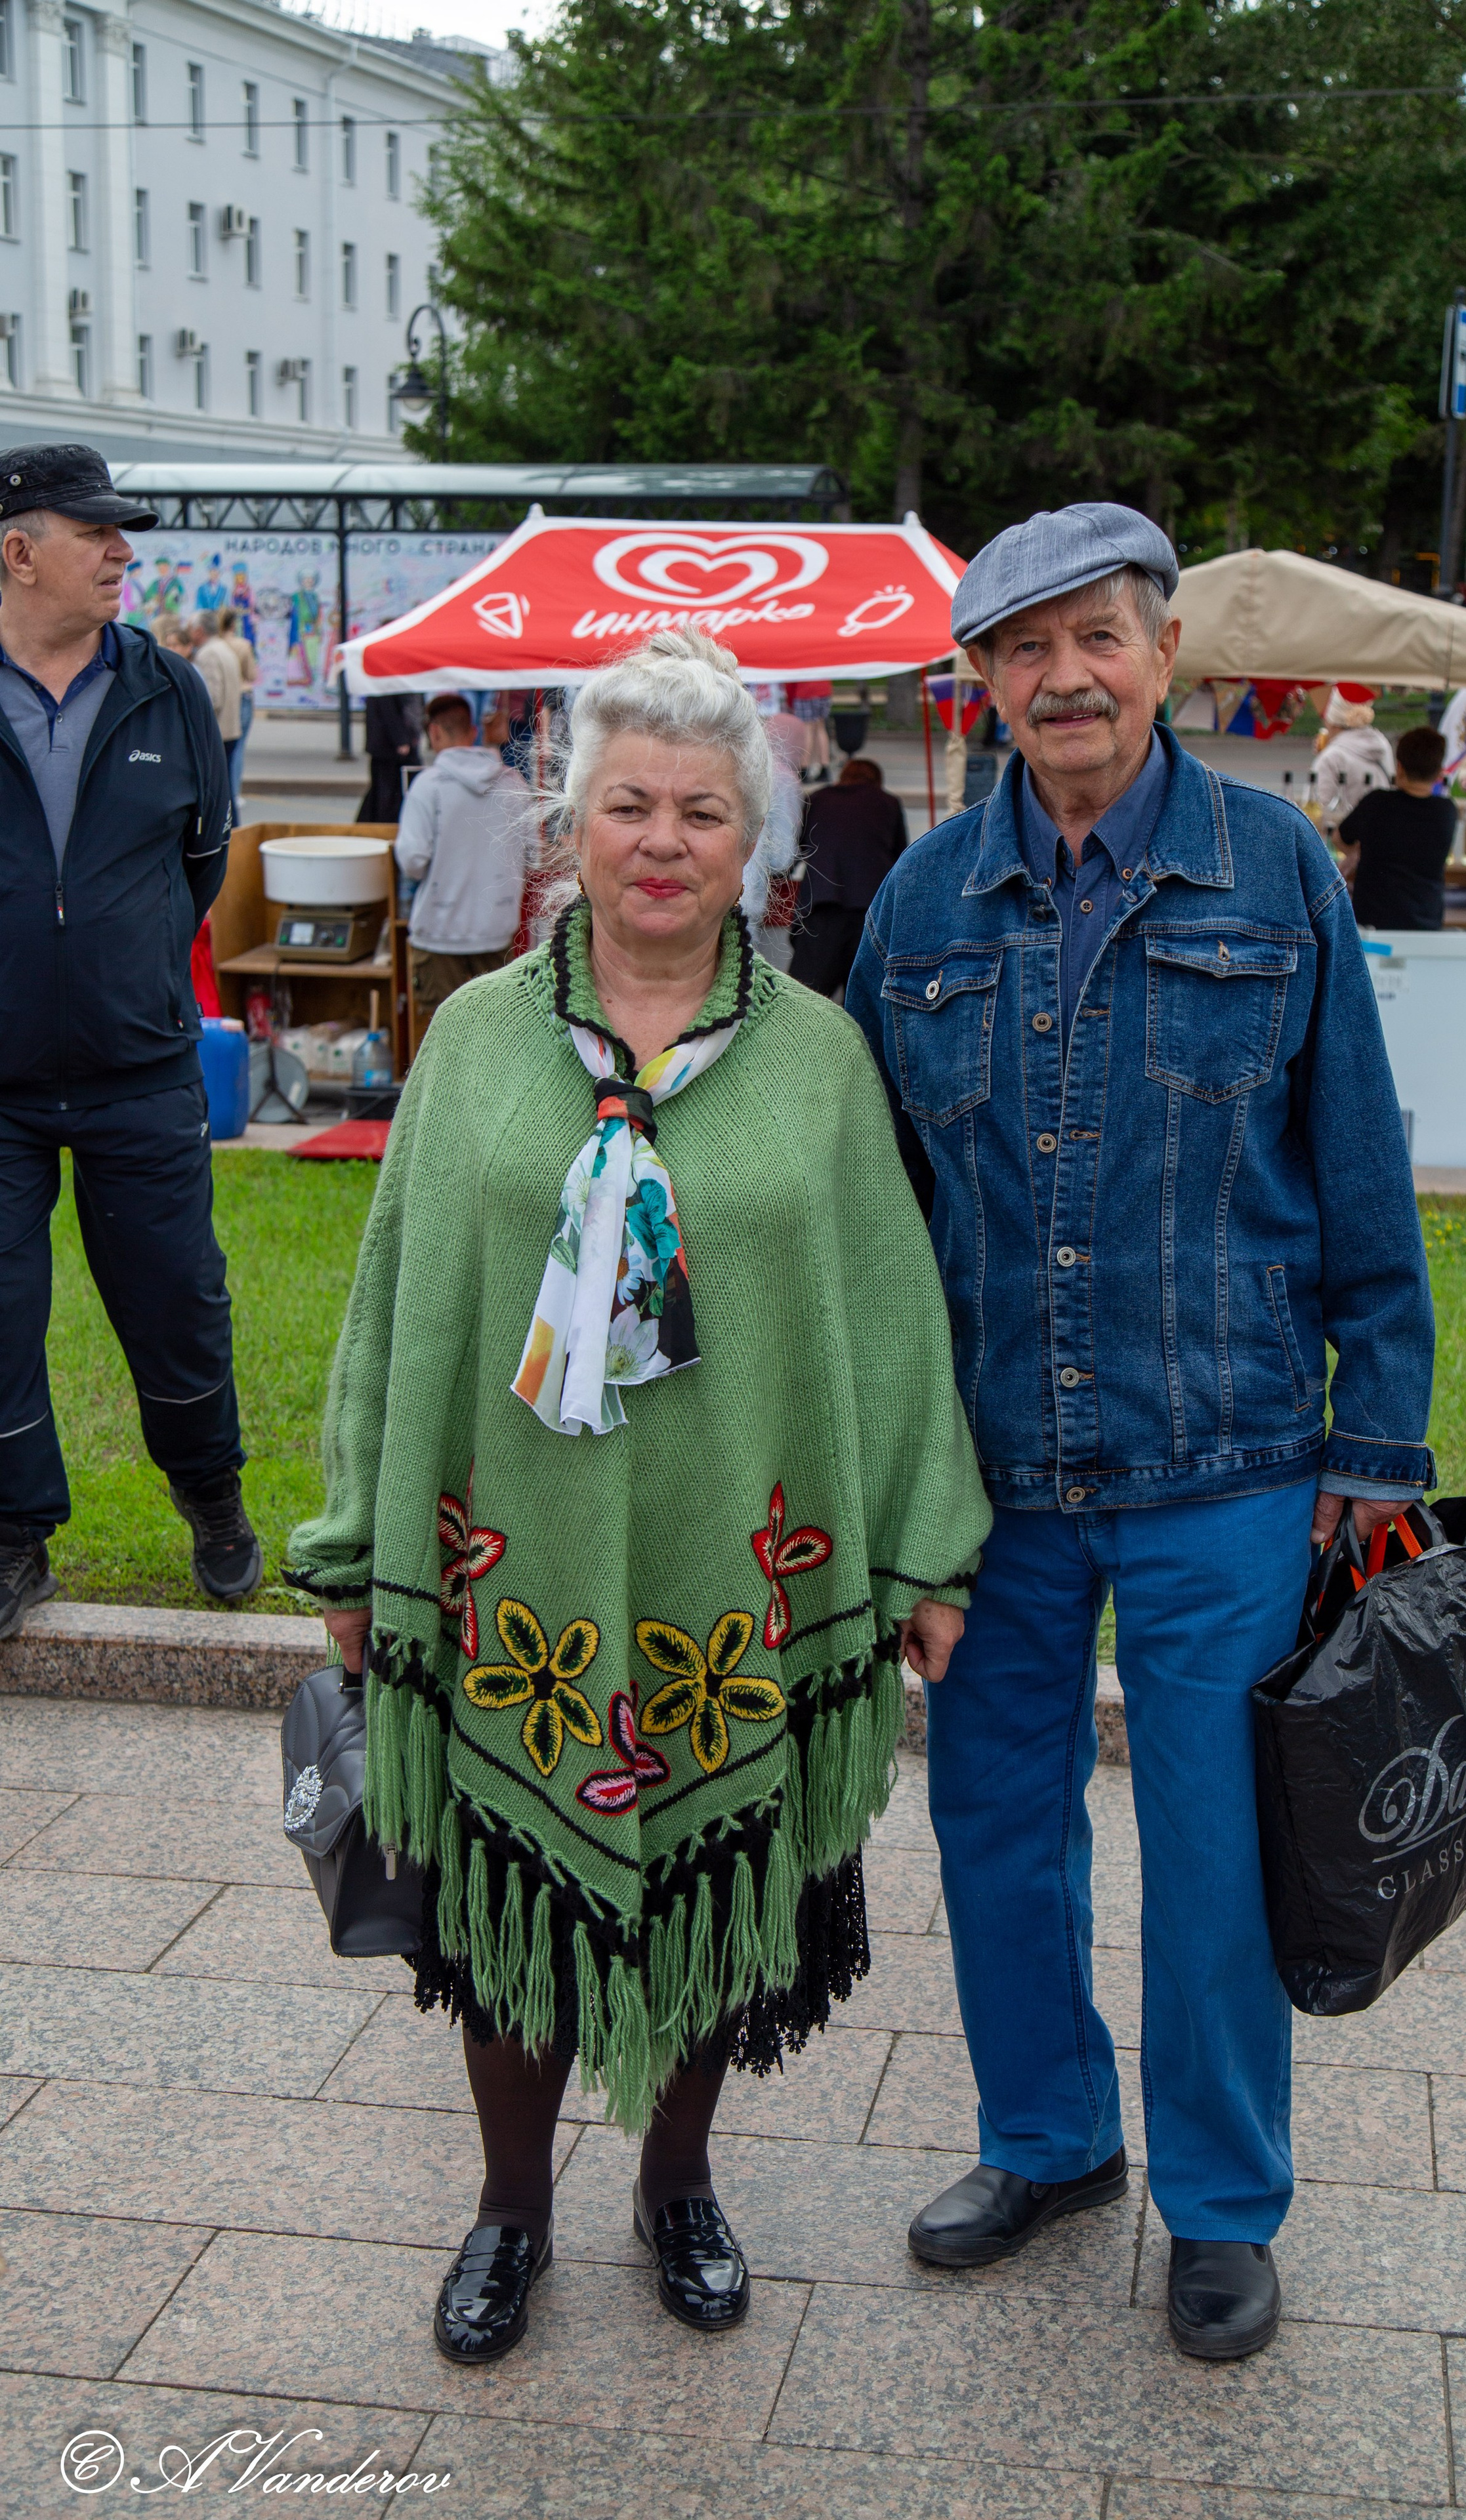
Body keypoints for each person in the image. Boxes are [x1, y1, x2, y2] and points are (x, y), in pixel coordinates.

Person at [287, 626, 990, 2364]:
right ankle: (508, 2210)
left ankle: (677, 2183)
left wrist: (923, 1555)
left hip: (732, 1581)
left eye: (698, 811)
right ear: (569, 827)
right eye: (629, 807)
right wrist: (360, 1548)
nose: (663, 841)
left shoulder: (820, 1063)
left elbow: (892, 1311)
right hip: (506, 1562)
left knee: (713, 1904)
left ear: (749, 843)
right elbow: (398, 1302)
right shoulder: (470, 1053)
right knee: (500, 1917)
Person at [847, 503, 1435, 2363]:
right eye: (1021, 649)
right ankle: (1047, 2142)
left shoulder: (1277, 876)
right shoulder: (925, 904)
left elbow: (1364, 1184)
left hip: (1231, 1465)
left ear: (1166, 652)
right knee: (996, 1828)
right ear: (984, 686)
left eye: (1095, 635)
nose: (1063, 677)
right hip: (993, 1480)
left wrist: (1376, 1457)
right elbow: (862, 1205)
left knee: (1215, 1860)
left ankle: (1223, 2202)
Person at [0, 443, 260, 1638]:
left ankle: (213, 1500)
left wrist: (122, 963)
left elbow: (202, 858)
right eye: (96, 531)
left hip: (141, 1070)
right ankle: (15, 1539)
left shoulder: (166, 690)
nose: (123, 551)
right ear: (18, 549)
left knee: (175, 1303)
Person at [395, 694, 538, 1037]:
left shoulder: (428, 787)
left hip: (439, 934)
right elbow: (535, 856)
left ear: (434, 733)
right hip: (496, 932)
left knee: (438, 1041)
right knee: (494, 1039)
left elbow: (412, 860)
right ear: (473, 731)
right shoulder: (514, 784)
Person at [789, 758, 909, 998]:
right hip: (870, 911)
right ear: (877, 782)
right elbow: (901, 862)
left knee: (804, 1000)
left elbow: (798, 850)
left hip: (821, 908)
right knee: (863, 1006)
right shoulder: (889, 803)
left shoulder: (818, 799)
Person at [1338, 724, 1458, 930]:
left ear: (1399, 767)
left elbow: (1340, 838)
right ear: (1439, 773)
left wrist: (1359, 850)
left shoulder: (1377, 803)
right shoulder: (1447, 811)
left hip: (1373, 925)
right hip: (1426, 924)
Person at [1312, 686, 1393, 837]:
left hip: (1345, 843)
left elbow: (1319, 812)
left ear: (1332, 722)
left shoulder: (1331, 757)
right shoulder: (1382, 744)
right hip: (1381, 836)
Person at [188, 612, 243, 803]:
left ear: (199, 631)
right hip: (230, 728)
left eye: (191, 628)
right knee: (225, 792)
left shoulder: (208, 653)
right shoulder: (222, 647)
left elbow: (212, 697)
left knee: (216, 795)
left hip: (218, 731)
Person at [358, 684, 426, 825]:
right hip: (390, 745)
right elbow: (387, 707)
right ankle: (383, 827)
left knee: (384, 791)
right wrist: (400, 739)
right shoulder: (387, 678)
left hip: (393, 742)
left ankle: (372, 825)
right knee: (388, 792)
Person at [219, 607, 258, 814]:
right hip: (241, 695)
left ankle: (224, 792)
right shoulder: (242, 645)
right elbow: (251, 674)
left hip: (222, 697)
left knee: (222, 747)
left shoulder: (215, 645)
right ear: (234, 624)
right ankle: (234, 793)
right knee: (238, 747)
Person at [787, 680, 833, 783]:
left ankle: (804, 769)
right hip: (824, 690)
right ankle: (825, 767)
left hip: (805, 692)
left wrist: (790, 700)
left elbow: (792, 680)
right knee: (821, 729)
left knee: (807, 730)